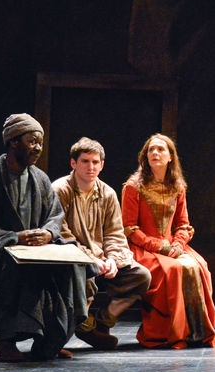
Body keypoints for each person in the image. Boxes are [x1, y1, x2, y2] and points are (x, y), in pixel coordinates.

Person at [0, 114, 88, 362]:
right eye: (32, 142)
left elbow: (55, 216)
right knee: (19, 267)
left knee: (72, 266)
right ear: (13, 142)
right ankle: (6, 341)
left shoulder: (40, 179)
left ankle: (50, 340)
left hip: (36, 251)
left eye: (40, 143)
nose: (38, 148)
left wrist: (48, 233)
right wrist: (11, 238)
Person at [121, 134, 215, 348]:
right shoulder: (133, 187)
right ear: (145, 156)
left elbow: (183, 224)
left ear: (170, 157)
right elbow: (129, 228)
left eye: (161, 149)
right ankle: (173, 332)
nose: (155, 153)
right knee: (174, 270)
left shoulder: (177, 187)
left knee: (200, 266)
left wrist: (178, 244)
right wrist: (158, 246)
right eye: (151, 150)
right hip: (142, 248)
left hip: (172, 245)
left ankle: (197, 332)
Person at [51, 137, 151, 350]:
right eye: (85, 161)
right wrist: (91, 258)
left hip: (102, 259)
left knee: (141, 276)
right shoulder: (60, 190)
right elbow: (61, 233)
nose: (91, 167)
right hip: (72, 258)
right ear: (73, 163)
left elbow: (115, 233)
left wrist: (113, 259)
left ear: (102, 165)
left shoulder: (107, 193)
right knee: (84, 275)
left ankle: (100, 324)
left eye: (95, 162)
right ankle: (79, 326)